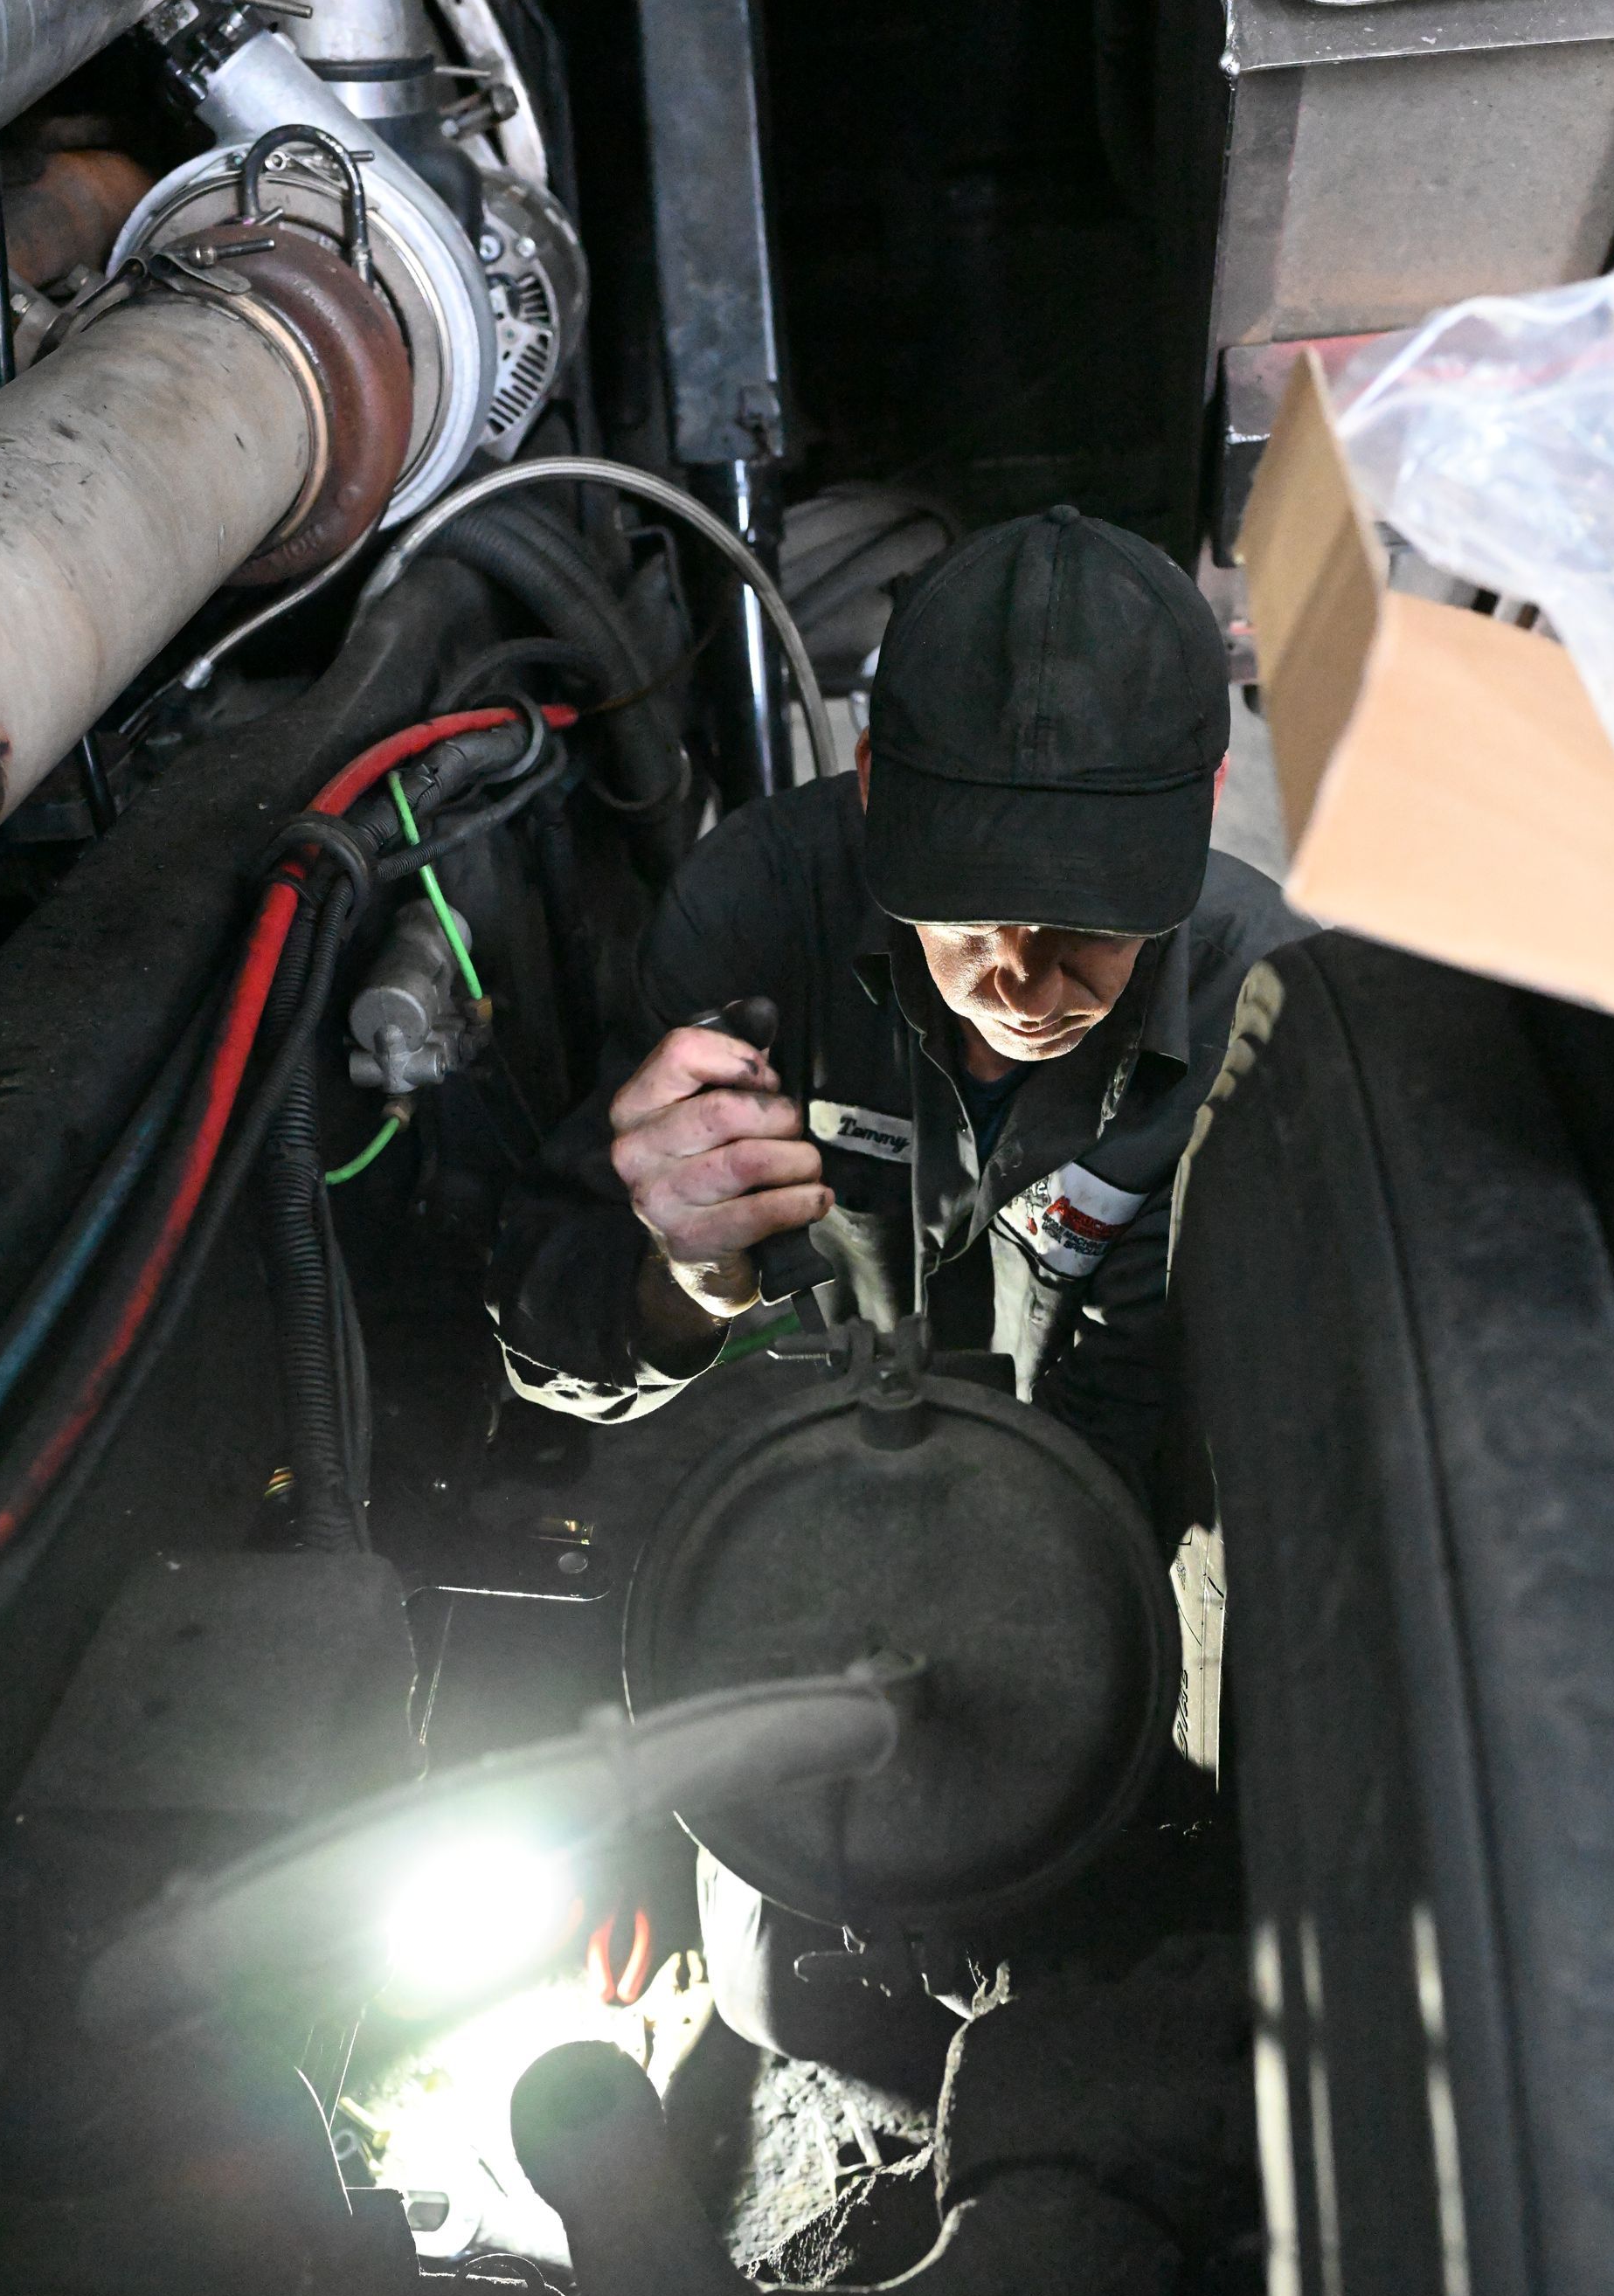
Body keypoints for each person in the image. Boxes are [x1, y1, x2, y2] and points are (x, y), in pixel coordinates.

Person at [488, 502, 1313, 1549]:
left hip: (1104, 1530)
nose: (1020, 984)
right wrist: (681, 1280)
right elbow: (550, 1356)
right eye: (969, 913)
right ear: (873, 784)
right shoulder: (760, 910)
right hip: (823, 1491)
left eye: (1095, 923)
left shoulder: (1265, 1009)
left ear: (1207, 801)